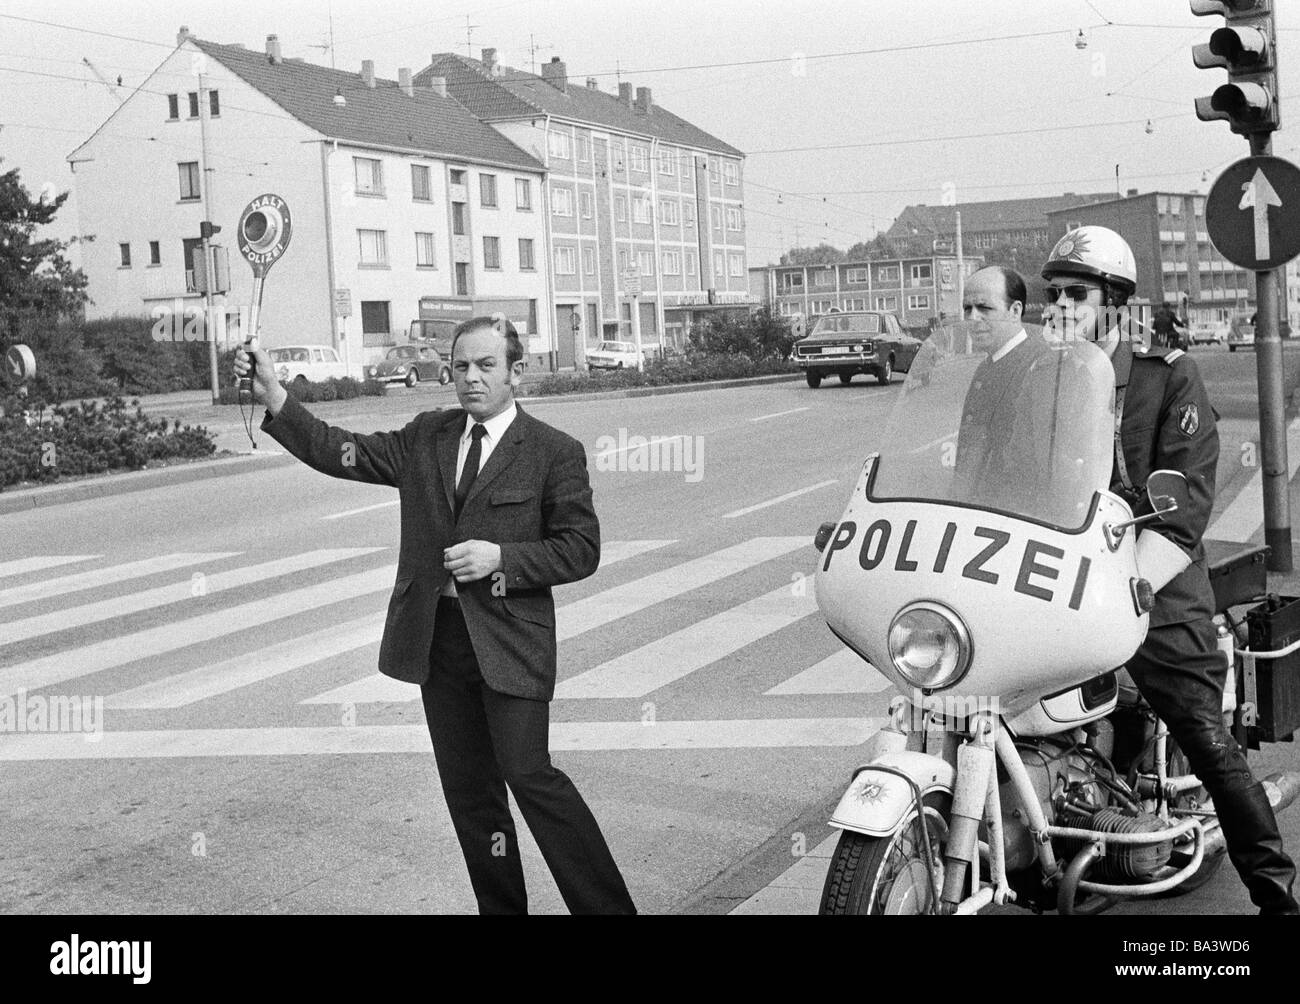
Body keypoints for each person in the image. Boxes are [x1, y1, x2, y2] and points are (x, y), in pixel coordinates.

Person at [233, 315, 636, 915]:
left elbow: (580, 549)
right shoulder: (429, 436)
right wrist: (276, 395)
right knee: (471, 796)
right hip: (439, 641)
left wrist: (503, 559)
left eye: (486, 366)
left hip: (511, 644)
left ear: (516, 373)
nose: (471, 378)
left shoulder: (552, 452)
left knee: (530, 775)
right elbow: (341, 452)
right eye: (461, 366)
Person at [1041, 225, 1298, 915]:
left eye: (1076, 294)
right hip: (1057, 576)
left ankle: (1276, 893)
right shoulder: (1042, 376)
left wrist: (1130, 586)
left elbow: (1184, 505)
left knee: (1202, 733)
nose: (1059, 306)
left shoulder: (1165, 374)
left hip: (1150, 579)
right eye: (1053, 293)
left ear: (1114, 302)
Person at [954, 265, 1084, 521]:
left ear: (1015, 311)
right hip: (977, 515)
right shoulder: (985, 366)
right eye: (967, 309)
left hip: (1021, 519)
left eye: (984, 308)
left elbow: (1051, 465)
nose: (973, 318)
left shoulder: (1044, 364)